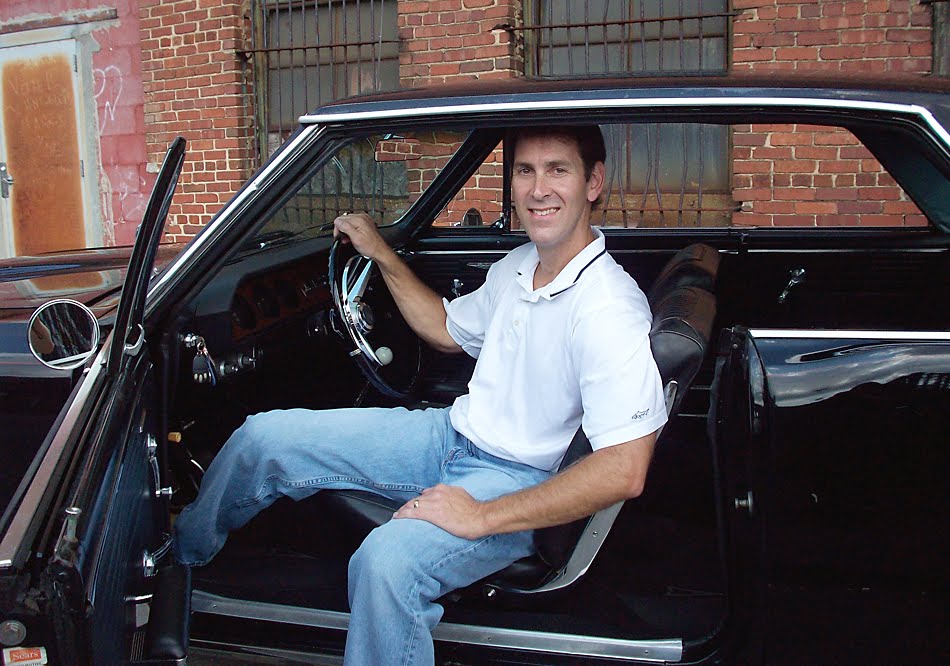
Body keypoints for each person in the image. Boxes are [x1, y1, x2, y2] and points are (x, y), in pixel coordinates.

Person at [173, 125, 667, 666]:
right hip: (447, 435)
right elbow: (446, 329)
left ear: (593, 182)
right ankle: (176, 567)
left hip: (516, 481)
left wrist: (480, 515)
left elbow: (624, 468)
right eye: (525, 171)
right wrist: (383, 255)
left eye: (558, 170)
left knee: (386, 565)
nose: (537, 189)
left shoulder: (608, 309)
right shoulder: (520, 266)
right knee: (261, 436)